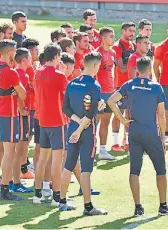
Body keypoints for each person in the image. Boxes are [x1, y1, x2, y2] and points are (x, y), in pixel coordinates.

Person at [108, 56, 168, 217]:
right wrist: (163, 137)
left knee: (134, 170)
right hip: (151, 132)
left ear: (137, 69)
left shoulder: (129, 85)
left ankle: (138, 207)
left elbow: (111, 101)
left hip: (134, 131)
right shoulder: (156, 87)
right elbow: (161, 115)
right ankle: (163, 205)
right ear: (151, 68)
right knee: (160, 169)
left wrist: (123, 120)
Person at [60, 51, 107, 215]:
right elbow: (90, 113)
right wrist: (81, 128)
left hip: (72, 128)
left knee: (68, 165)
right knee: (86, 169)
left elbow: (65, 108)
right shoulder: (94, 85)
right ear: (94, 66)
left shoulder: (72, 83)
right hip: (85, 132)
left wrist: (77, 122)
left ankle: (62, 201)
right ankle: (88, 207)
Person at [0, 39, 26, 200]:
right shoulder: (11, 72)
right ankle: (5, 189)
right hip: (8, 115)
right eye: (15, 52)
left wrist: (12, 91)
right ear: (10, 53)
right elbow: (23, 94)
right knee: (9, 152)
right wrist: (15, 92)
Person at [32, 44, 69, 206]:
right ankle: (56, 197)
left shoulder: (37, 73)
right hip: (57, 121)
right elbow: (67, 96)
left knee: (42, 158)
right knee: (57, 160)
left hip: (42, 120)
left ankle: (38, 194)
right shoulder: (59, 75)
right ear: (55, 57)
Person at [111, 21, 136, 152]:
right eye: (130, 31)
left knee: (130, 114)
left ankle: (126, 141)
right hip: (120, 85)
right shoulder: (117, 46)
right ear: (123, 31)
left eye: (133, 31)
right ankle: (115, 143)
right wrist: (134, 66)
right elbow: (121, 67)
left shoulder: (134, 45)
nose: (132, 33)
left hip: (132, 85)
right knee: (118, 113)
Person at [12, 48, 34, 193]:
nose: (32, 61)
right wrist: (21, 109)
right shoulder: (22, 75)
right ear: (24, 60)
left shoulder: (17, 73)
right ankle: (16, 181)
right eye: (30, 58)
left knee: (19, 148)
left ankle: (16, 179)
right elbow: (19, 95)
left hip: (18, 113)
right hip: (20, 114)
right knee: (20, 149)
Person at [95, 27, 117, 160]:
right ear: (103, 38)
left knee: (106, 122)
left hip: (110, 92)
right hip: (100, 93)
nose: (113, 39)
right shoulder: (97, 54)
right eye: (111, 36)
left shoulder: (113, 53)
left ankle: (103, 150)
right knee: (94, 122)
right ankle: (90, 149)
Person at [20, 38, 40, 179]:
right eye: (35, 49)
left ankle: (24, 164)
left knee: (27, 138)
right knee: (25, 139)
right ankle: (23, 168)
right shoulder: (30, 69)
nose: (37, 52)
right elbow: (35, 86)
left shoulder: (32, 67)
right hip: (29, 107)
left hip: (31, 106)